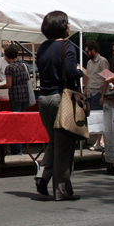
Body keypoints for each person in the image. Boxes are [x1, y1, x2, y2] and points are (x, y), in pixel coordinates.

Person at [34, 10, 83, 201]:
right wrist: (79, 71)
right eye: (68, 23)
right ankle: (62, 190)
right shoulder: (67, 47)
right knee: (64, 146)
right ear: (62, 26)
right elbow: (71, 72)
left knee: (54, 140)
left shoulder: (42, 48)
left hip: (44, 99)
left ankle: (43, 175)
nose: (70, 26)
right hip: (61, 98)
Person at [0, 46, 29, 155]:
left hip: (15, 95)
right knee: (22, 121)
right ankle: (19, 147)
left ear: (6, 55)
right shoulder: (23, 65)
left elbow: (8, 84)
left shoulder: (9, 68)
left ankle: (16, 148)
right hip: (24, 94)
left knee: (15, 122)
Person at [83, 40, 109, 151]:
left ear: (93, 50)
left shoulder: (102, 61)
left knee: (99, 118)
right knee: (93, 118)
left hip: (98, 92)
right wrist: (84, 92)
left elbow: (107, 78)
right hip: (90, 92)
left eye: (88, 51)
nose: (86, 53)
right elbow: (88, 78)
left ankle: (100, 141)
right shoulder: (89, 63)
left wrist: (103, 95)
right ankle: (98, 141)